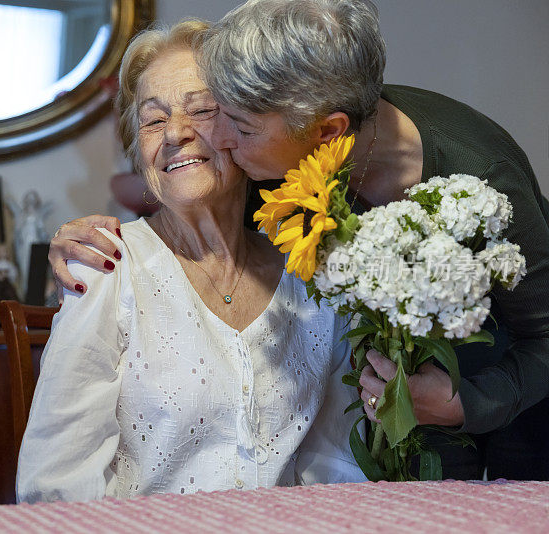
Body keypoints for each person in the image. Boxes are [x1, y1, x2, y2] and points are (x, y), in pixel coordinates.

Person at [48, 0, 549, 480]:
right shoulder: (280, 152)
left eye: (237, 126)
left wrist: (466, 403)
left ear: (328, 132)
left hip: (514, 390)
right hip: (386, 417)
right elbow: (194, 194)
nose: (218, 137)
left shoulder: (483, 177)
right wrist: (81, 236)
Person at [17, 20, 365, 504]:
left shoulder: (312, 273)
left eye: (202, 110)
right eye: (153, 120)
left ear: (246, 131)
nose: (176, 133)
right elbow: (59, 481)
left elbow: (337, 463)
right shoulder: (106, 266)